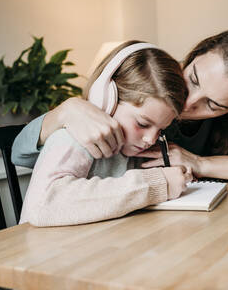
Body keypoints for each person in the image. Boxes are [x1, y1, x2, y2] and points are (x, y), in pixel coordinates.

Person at [12, 25, 228, 186]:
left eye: (212, 105)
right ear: (195, 54)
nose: (187, 101)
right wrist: (66, 111)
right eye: (194, 78)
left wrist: (201, 164)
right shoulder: (152, 85)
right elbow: (20, 153)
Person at [19, 41, 192, 227]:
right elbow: (44, 204)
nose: (150, 139)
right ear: (106, 99)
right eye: (142, 123)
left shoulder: (131, 149)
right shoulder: (72, 138)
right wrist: (157, 183)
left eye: (161, 129)